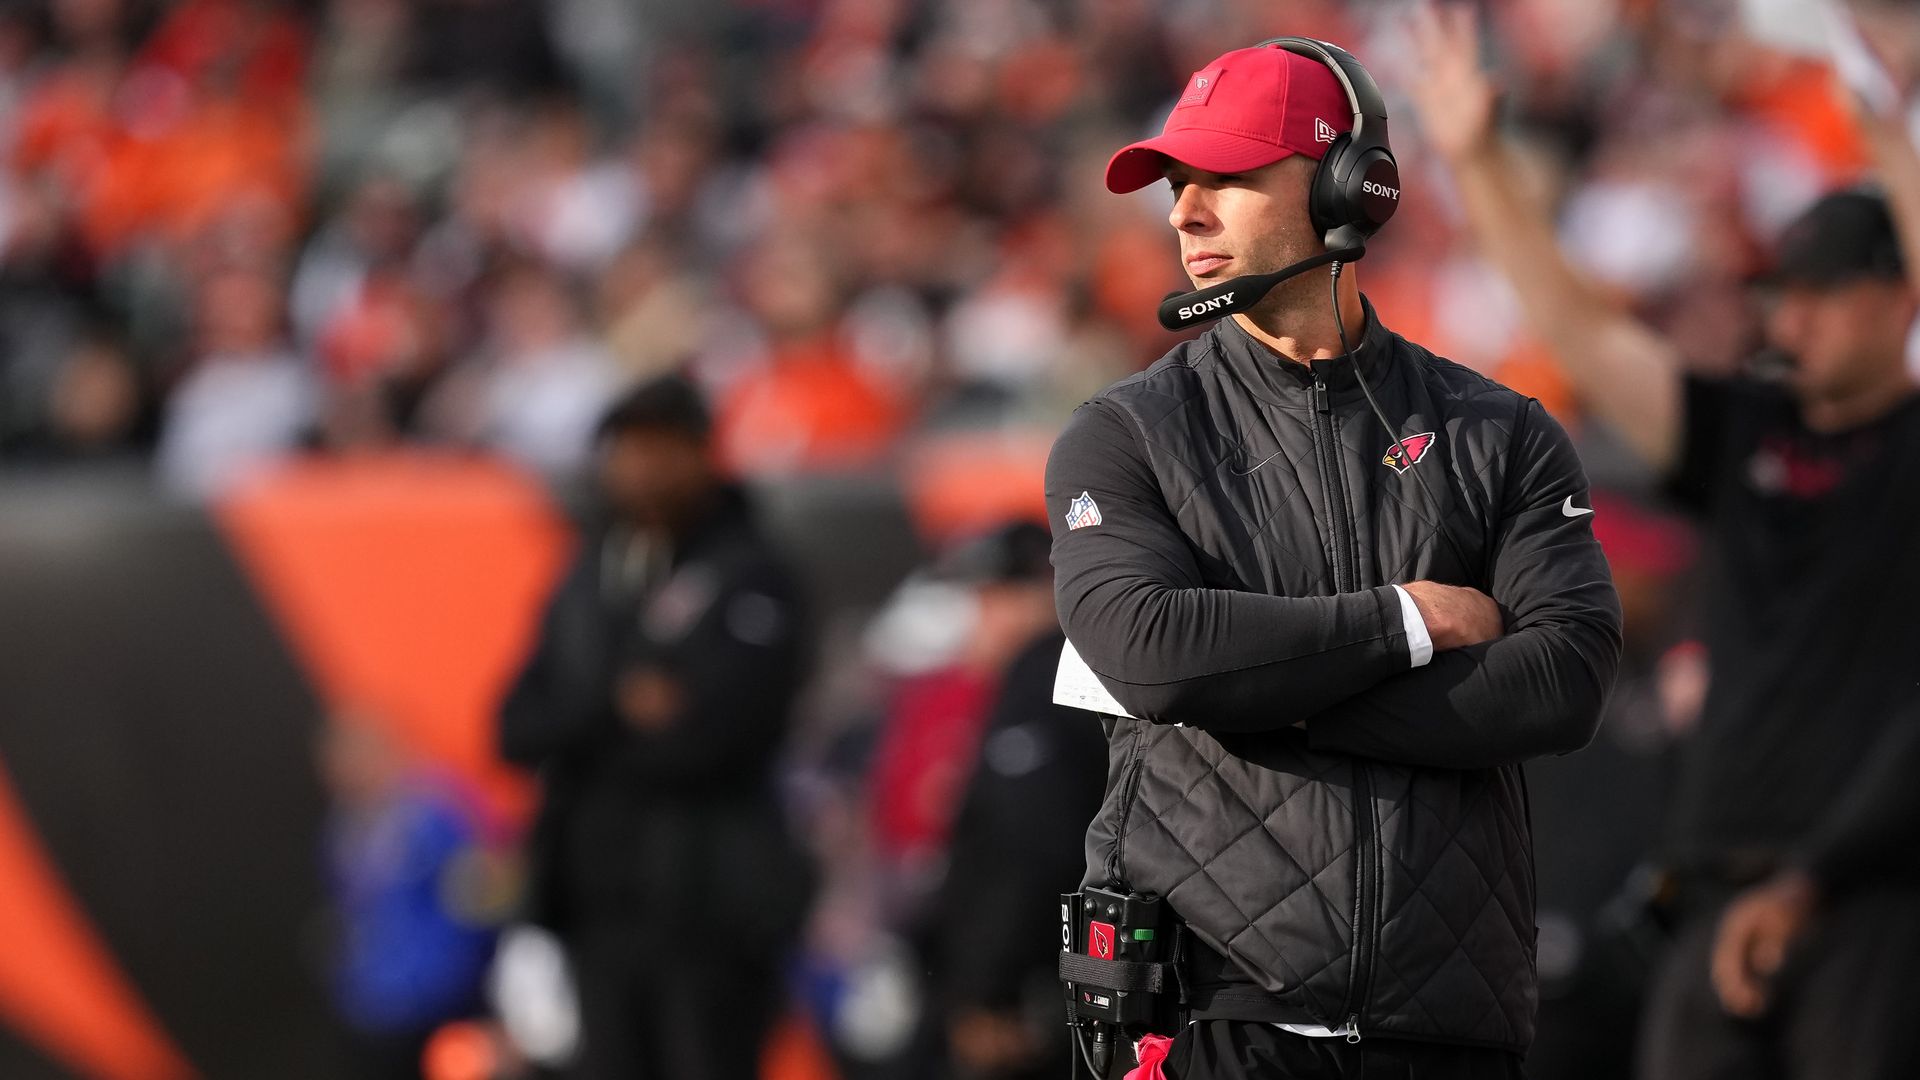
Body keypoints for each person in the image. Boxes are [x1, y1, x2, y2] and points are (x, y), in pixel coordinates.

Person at [1045, 36, 1622, 1080]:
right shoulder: (1122, 434)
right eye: (1180, 183)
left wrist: (1251, 688)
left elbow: (1561, 685)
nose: (1184, 212)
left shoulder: (1504, 433)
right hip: (1206, 1024)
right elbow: (1154, 651)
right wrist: (1407, 622)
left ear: (1352, 186)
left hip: (1445, 1030)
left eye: (1225, 176)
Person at [1410, 5, 1920, 1077]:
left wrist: (1886, 133)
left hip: (1876, 884)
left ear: (1896, 298)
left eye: (1830, 294)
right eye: (1790, 295)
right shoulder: (1748, 432)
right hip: (1717, 867)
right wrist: (1481, 165)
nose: (1799, 320)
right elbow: (1582, 335)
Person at [498, 373, 813, 1080]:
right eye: (624, 450)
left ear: (701, 452)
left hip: (710, 906)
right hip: (598, 903)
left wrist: (584, 729)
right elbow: (515, 728)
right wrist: (616, 707)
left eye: (656, 450)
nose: (636, 470)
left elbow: (715, 741)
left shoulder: (753, 576)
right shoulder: (587, 576)